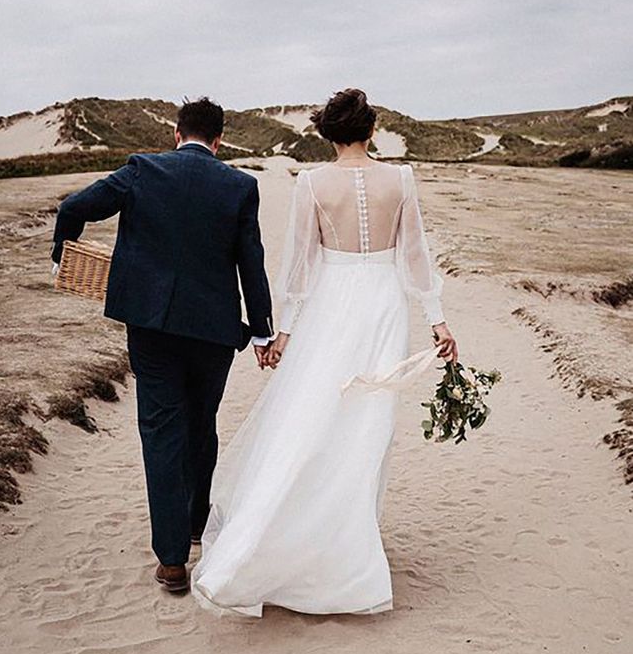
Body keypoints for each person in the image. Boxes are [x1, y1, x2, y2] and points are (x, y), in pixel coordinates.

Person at [191, 88, 457, 617]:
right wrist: (437, 319)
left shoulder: (312, 183)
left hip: (331, 308)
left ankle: (308, 544)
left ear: (327, 134)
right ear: (371, 130)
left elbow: (300, 265)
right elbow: (415, 256)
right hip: (383, 306)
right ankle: (345, 556)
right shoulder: (400, 179)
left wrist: (284, 329)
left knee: (312, 418)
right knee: (367, 428)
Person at [51, 97, 274, 593]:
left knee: (160, 429)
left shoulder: (142, 170)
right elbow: (251, 264)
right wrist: (261, 329)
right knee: (202, 422)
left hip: (151, 328)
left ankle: (172, 561)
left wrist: (59, 258)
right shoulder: (240, 186)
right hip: (215, 333)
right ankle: (196, 523)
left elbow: (73, 208)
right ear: (219, 141)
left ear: (177, 134)